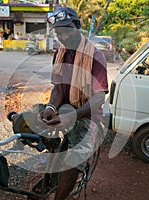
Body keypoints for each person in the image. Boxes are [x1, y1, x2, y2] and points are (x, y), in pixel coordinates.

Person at [39, 6, 109, 200]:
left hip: (88, 115)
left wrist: (74, 116)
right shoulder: (60, 53)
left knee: (73, 160)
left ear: (77, 26)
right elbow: (59, 88)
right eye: (59, 32)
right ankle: (49, 173)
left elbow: (99, 97)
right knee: (32, 119)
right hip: (65, 108)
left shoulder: (96, 56)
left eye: (67, 30)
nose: (63, 36)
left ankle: (59, 197)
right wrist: (51, 108)